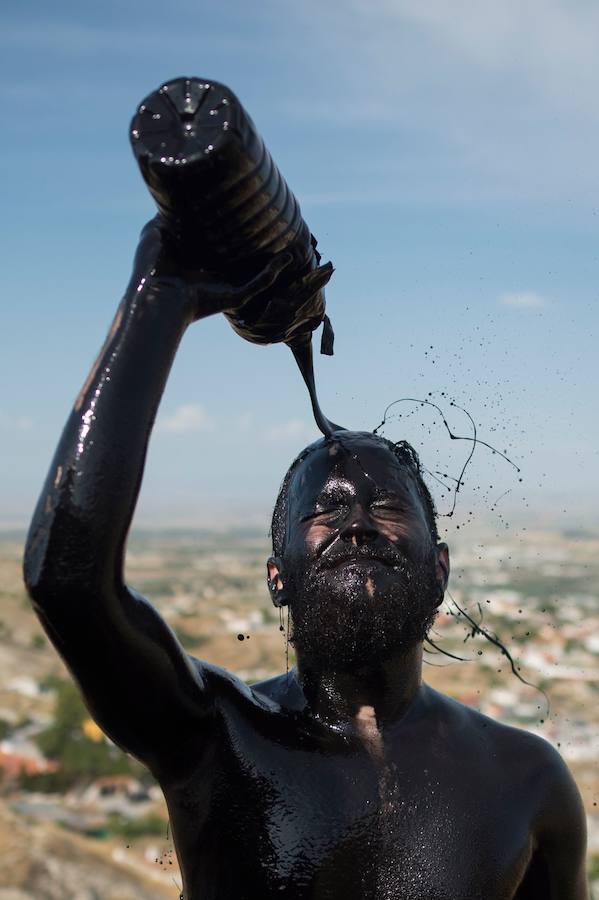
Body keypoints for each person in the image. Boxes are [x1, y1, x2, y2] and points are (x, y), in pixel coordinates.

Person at [23, 218, 589, 900]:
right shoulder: (217, 740)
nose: (355, 524)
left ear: (438, 569)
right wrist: (161, 291)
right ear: (277, 578)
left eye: (385, 508)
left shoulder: (526, 780)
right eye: (324, 513)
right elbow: (69, 583)